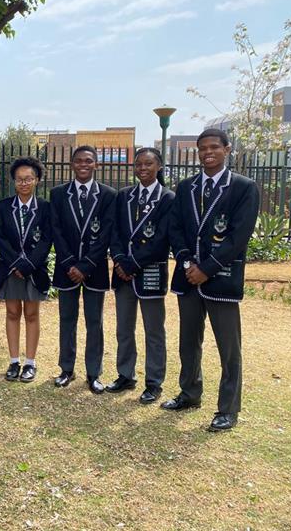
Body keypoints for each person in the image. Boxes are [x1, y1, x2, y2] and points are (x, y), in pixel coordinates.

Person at [163, 129, 259, 431]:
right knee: (189, 342)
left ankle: (228, 408)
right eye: (202, 148)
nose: (208, 153)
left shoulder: (243, 187)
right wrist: (188, 262)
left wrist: (208, 267)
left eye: (214, 147)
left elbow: (239, 237)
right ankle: (190, 393)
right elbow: (175, 228)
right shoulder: (186, 187)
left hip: (221, 277)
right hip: (188, 276)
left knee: (229, 348)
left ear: (227, 150)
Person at [107, 147, 175, 403]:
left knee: (153, 330)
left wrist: (133, 263)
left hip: (150, 272)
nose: (143, 169)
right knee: (124, 328)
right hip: (123, 273)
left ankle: (154, 382)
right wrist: (120, 261)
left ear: (158, 166)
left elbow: (163, 238)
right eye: (139, 164)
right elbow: (115, 232)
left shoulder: (168, 198)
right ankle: (125, 375)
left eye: (148, 164)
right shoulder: (124, 195)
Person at [50, 145, 116, 394]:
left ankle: (94, 373)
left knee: (94, 321)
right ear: (72, 164)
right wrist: (70, 264)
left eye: (88, 161)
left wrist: (86, 265)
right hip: (66, 269)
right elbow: (56, 230)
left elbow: (107, 233)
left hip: (94, 269)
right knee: (67, 319)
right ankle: (66, 369)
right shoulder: (58, 194)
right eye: (78, 161)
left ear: (96, 164)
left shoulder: (109, 195)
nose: (83, 165)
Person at [0, 157, 52, 383]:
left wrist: (30, 264)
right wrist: (16, 263)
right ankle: (14, 360)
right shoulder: (4, 207)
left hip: (34, 270)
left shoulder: (45, 207)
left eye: (29, 179)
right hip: (10, 269)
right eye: (20, 179)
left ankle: (30, 363)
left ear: (37, 180)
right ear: (14, 182)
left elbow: (47, 239)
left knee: (32, 314)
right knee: (12, 313)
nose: (24, 183)